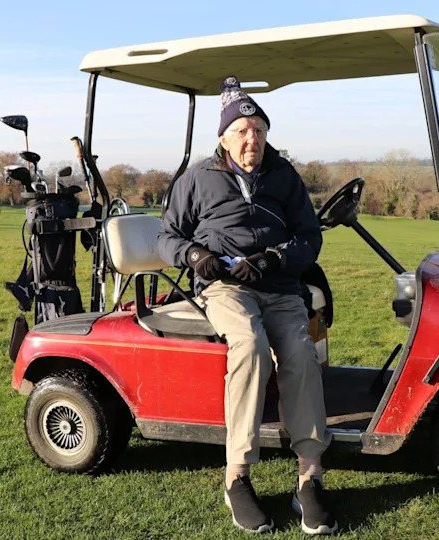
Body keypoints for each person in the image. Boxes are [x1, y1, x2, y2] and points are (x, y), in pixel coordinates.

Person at [157, 76, 338, 535]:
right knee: (250, 345)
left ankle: (310, 475)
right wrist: (194, 256)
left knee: (300, 353)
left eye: (258, 130)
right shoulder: (197, 178)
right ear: (224, 138)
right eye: (240, 131)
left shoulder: (285, 175)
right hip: (224, 287)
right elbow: (167, 237)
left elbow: (309, 236)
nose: (250, 139)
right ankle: (236, 474)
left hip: (279, 285)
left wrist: (276, 258)